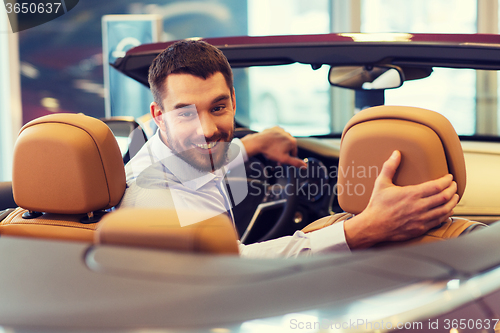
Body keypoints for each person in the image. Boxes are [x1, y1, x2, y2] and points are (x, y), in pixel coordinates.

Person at [118, 40, 458, 257]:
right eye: (186, 113)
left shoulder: (177, 151)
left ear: (234, 101)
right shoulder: (153, 199)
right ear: (158, 116)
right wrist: (363, 229)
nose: (207, 129)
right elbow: (231, 270)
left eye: (218, 108)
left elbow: (206, 157)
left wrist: (253, 144)